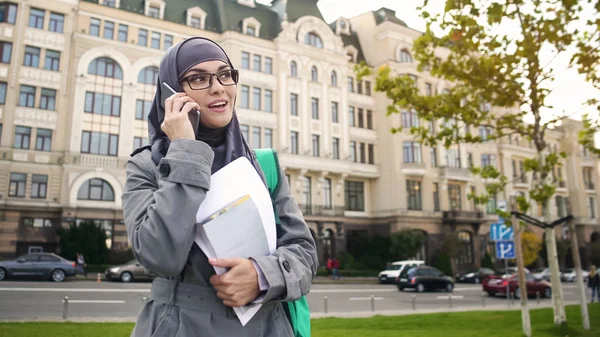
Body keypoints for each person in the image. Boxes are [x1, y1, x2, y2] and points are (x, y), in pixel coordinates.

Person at [122, 37, 318, 337]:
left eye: (225, 74)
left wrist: (263, 276)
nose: (218, 87)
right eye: (198, 78)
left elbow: (303, 251)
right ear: (171, 92)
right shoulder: (147, 166)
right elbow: (160, 257)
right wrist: (185, 150)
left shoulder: (262, 164)